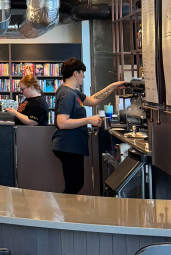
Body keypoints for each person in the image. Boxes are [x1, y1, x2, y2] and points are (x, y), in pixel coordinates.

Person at [51, 57, 120, 196]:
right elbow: (62, 122)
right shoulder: (67, 94)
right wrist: (88, 120)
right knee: (74, 185)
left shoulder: (73, 92)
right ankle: (66, 215)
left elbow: (93, 100)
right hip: (68, 145)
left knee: (75, 185)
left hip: (72, 145)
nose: (84, 76)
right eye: (82, 72)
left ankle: (67, 214)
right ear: (75, 73)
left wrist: (114, 86)